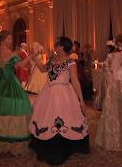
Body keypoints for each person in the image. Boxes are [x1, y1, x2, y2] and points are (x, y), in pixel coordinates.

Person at [29, 36, 89, 165]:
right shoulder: (52, 59)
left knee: (66, 118)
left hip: (64, 93)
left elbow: (75, 81)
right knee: (47, 117)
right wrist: (34, 58)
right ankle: (47, 143)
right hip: (48, 92)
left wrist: (81, 101)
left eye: (57, 44)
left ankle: (63, 147)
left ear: (62, 46)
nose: (55, 46)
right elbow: (42, 69)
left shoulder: (70, 62)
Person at [95, 34, 122, 154]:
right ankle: (112, 140)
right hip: (114, 89)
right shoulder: (112, 56)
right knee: (113, 112)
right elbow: (114, 73)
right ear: (119, 43)